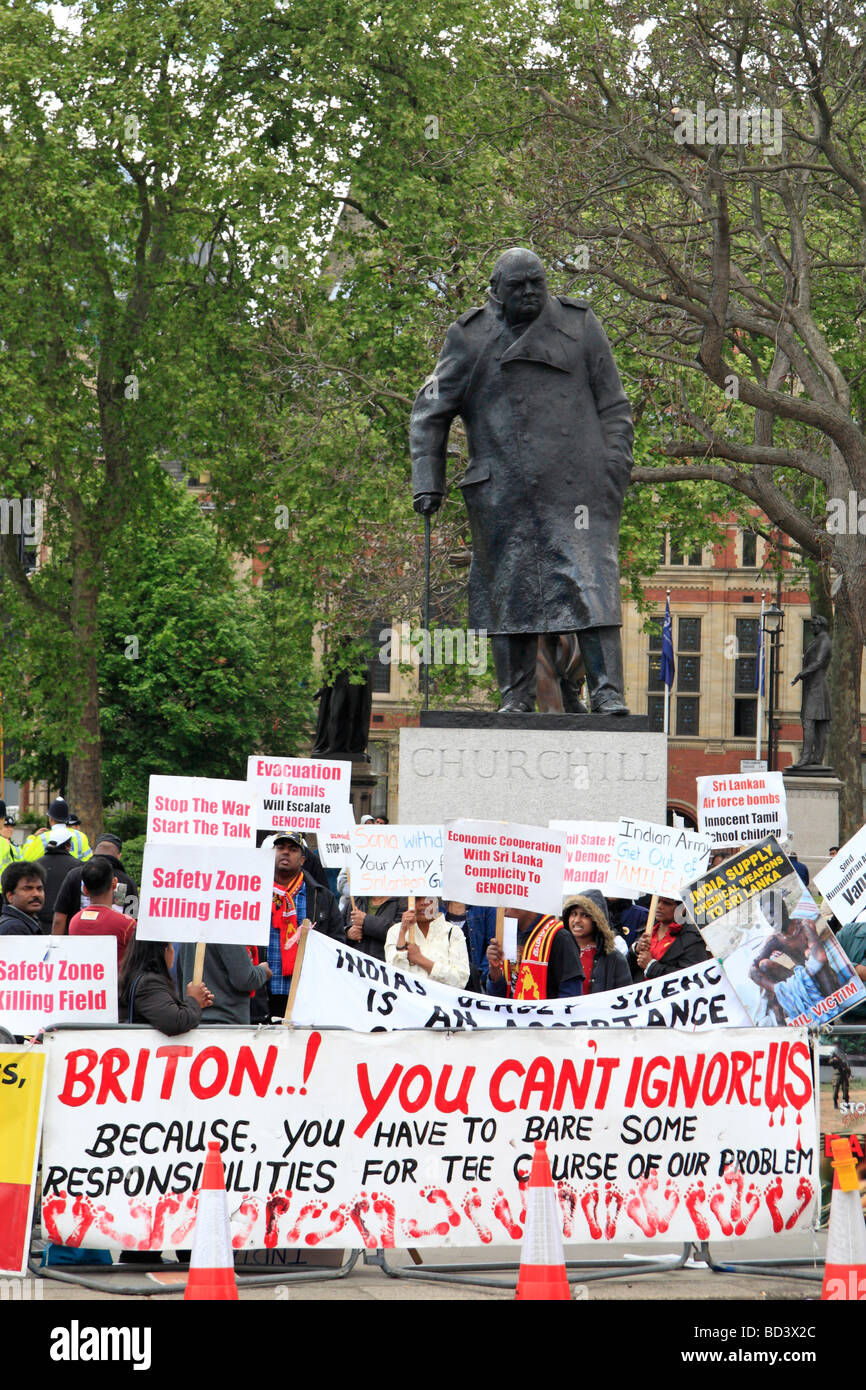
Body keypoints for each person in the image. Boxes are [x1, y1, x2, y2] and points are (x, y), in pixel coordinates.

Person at [410, 247, 634, 713]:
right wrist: (428, 481)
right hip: (503, 490)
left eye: (537, 282)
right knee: (509, 592)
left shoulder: (580, 324)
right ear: (495, 290)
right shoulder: (469, 338)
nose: (530, 292)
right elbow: (430, 412)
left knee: (592, 584)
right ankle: (515, 697)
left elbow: (614, 405)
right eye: (518, 286)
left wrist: (615, 468)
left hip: (582, 490)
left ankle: (608, 693)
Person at [264, 829, 344, 1017]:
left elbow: (336, 944)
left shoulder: (323, 897)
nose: (285, 852)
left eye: (293, 849)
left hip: (306, 993)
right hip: (263, 993)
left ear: (302, 860)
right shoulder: (255, 892)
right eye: (280, 848)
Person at [119, 936, 212, 1034]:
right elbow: (175, 1022)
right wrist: (194, 1000)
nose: (173, 952)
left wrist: (195, 1004)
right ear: (163, 952)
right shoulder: (149, 984)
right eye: (170, 947)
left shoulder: (139, 978)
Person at [486, 906, 583, 999]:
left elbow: (571, 995)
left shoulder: (560, 937)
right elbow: (497, 996)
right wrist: (494, 969)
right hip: (512, 1015)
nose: (503, 909)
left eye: (509, 903)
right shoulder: (507, 935)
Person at [52, 834, 138, 934]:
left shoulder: (74, 875)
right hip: (114, 946)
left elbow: (59, 918)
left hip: (76, 944)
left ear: (93, 852)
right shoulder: (128, 882)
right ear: (119, 856)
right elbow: (133, 923)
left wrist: (57, 945)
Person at [385, 897, 470, 988]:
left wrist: (420, 959)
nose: (423, 903)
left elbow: (460, 980)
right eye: (417, 899)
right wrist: (402, 933)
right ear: (409, 901)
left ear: (437, 901)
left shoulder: (453, 932)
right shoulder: (396, 931)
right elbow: (392, 977)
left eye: (429, 899)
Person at [68, 855, 136, 969]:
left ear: (84, 889)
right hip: (117, 985)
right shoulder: (127, 924)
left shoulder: (75, 921)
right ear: (114, 883)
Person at [177, 942, 271, 1025]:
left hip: (195, 1020)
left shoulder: (189, 927)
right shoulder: (227, 928)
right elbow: (244, 980)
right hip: (227, 1022)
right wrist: (263, 971)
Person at [563, 892, 633, 994]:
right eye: (573, 914)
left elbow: (625, 997)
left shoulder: (614, 958)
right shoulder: (558, 951)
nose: (577, 920)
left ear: (597, 920)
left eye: (585, 915)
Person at [790, 615, 832, 768]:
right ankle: (816, 758)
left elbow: (819, 662)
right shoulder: (819, 639)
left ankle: (806, 758)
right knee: (817, 723)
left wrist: (803, 673)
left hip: (817, 687)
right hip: (813, 686)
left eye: (814, 625)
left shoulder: (824, 640)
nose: (812, 627)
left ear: (820, 625)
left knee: (809, 721)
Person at [634, 896, 711, 978]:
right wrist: (635, 950)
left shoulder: (693, 938)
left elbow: (692, 977)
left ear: (682, 908)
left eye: (667, 903)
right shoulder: (647, 930)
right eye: (658, 901)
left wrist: (651, 967)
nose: (659, 906)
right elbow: (626, 971)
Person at [21, 796, 91, 862]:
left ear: (50, 819)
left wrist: (32, 837)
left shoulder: (43, 838)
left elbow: (26, 858)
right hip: (73, 873)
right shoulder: (80, 836)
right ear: (66, 819)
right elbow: (88, 860)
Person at [34, 825, 76, 932]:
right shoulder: (77, 866)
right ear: (68, 845)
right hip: (68, 926)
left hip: (39, 925)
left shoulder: (35, 865)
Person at [345, 891, 407, 962]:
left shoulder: (403, 901)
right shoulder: (356, 899)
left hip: (384, 966)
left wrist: (366, 920)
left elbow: (399, 932)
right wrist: (348, 933)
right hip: (354, 964)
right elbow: (337, 930)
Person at [0, 860, 46, 935]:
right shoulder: (14, 929)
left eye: (39, 888)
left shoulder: (28, 922)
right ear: (10, 896)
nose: (36, 894)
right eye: (28, 888)